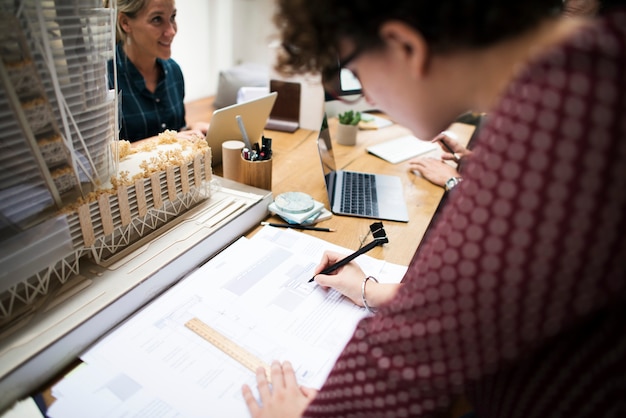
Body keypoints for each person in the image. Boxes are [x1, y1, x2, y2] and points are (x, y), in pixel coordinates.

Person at [241, 1, 626, 417]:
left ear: (405, 46)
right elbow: (478, 295)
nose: (363, 93)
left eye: (350, 69)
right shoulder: (578, 77)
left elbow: (409, 354)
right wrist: (379, 292)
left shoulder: (567, 108)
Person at [106, 0, 208, 142]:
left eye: (172, 17)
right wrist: (162, 142)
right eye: (157, 19)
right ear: (125, 23)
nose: (171, 31)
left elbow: (175, 132)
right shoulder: (105, 78)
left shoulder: (173, 71)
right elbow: (103, 156)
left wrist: (191, 129)